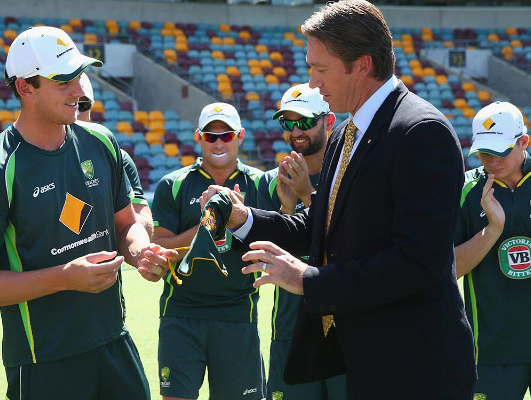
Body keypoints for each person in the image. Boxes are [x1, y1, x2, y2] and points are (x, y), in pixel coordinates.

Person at [200, 1, 476, 398]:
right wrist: (243, 219)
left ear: (362, 65)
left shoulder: (422, 133)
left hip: (417, 368)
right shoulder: (347, 134)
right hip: (366, 359)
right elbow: (321, 225)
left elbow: (419, 263)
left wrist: (308, 280)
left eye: (320, 69)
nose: (313, 83)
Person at [0, 26, 176, 400]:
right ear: (25, 87)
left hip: (114, 342)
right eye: (62, 80)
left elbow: (126, 224)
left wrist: (140, 252)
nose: (78, 90)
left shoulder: (101, 141)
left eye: (77, 75)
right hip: (43, 361)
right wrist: (65, 277)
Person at [151, 102, 265, 400]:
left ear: (240, 136)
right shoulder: (172, 184)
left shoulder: (259, 183)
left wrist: (235, 219)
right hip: (182, 312)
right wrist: (209, 223)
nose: (218, 142)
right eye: (210, 136)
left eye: (226, 136)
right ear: (198, 137)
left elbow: (271, 242)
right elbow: (159, 248)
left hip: (238, 312)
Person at [257, 83, 346, 400]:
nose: (296, 131)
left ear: (329, 121)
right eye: (288, 122)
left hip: (344, 328)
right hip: (290, 330)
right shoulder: (269, 181)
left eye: (305, 121)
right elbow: (265, 260)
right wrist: (284, 208)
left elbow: (344, 248)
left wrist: (307, 197)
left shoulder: (350, 177)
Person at [455, 101, 531, 400]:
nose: (491, 161)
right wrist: (492, 230)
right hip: (491, 352)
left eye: (500, 152)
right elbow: (448, 268)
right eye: (484, 152)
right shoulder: (465, 191)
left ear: (523, 142)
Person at [76, 73, 153, 235]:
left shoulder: (117, 157)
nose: (75, 112)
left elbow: (144, 222)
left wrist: (117, 214)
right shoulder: (35, 159)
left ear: (92, 108)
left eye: (81, 105)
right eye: (69, 104)